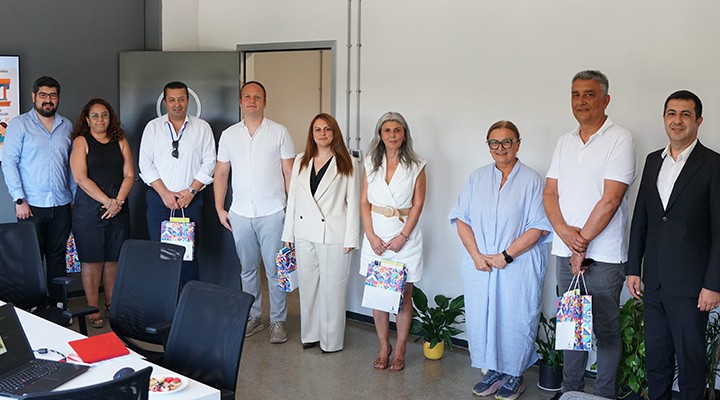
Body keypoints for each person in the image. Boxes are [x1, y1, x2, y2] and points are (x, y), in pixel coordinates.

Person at [543, 70, 636, 400]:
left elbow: (611, 199)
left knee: (606, 330)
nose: (581, 101)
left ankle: (603, 394)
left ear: (606, 100)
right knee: (572, 326)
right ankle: (570, 392)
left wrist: (580, 243)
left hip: (605, 256)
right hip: (565, 252)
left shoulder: (620, 139)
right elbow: (550, 194)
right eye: (575, 94)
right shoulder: (564, 141)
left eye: (589, 94)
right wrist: (566, 235)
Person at [626, 90, 720, 400]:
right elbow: (641, 217)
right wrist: (633, 268)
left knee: (691, 365)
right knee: (656, 360)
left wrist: (713, 285)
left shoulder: (713, 164)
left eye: (685, 114)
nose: (677, 120)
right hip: (654, 282)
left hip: (692, 287)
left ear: (698, 121)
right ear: (664, 118)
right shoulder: (654, 160)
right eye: (671, 113)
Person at [449, 121, 551, 400]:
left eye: (507, 141)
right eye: (494, 142)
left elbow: (539, 226)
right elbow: (461, 218)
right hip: (481, 264)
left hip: (518, 264)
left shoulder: (532, 180)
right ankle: (493, 370)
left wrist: (506, 255)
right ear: (488, 146)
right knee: (483, 316)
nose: (500, 148)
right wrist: (475, 254)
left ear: (518, 144)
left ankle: (515, 374)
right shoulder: (477, 177)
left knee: (515, 317)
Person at [214, 81, 295, 344]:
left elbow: (289, 173)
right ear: (240, 101)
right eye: (247, 96)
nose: (252, 101)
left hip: (273, 212)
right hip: (240, 213)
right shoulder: (229, 135)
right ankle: (254, 317)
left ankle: (278, 321)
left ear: (264, 102)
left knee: (275, 270)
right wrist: (219, 207)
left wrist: (291, 211)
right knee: (247, 270)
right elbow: (221, 173)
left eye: (257, 97)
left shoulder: (280, 132)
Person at [280, 113, 359, 352]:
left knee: (333, 289)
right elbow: (293, 199)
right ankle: (310, 334)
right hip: (304, 233)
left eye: (327, 129)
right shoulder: (301, 160)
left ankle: (331, 341)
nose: (322, 134)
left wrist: (351, 238)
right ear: (311, 134)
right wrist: (288, 234)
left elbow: (353, 203)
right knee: (308, 287)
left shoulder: (348, 162)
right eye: (317, 129)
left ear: (334, 133)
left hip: (334, 234)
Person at [359, 111, 426, 372]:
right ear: (380, 135)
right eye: (387, 130)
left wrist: (403, 236)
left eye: (397, 130)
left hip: (404, 238)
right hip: (376, 237)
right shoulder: (370, 163)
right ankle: (383, 346)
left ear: (405, 134)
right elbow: (364, 202)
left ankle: (400, 348)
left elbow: (418, 204)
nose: (392, 135)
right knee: (378, 296)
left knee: (403, 298)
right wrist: (370, 235)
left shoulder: (417, 165)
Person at [2, 76, 73, 310]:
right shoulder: (19, 124)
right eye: (43, 95)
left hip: (61, 203)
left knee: (57, 257)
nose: (48, 100)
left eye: (52, 95)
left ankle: (58, 306)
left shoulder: (67, 126)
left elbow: (70, 167)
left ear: (58, 98)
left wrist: (73, 198)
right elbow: (9, 163)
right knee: (30, 260)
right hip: (30, 205)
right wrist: (19, 199)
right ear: (34, 97)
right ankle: (31, 307)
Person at [138, 81, 216, 287]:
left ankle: (189, 299)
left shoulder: (202, 128)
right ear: (165, 102)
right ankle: (165, 301)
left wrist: (191, 191)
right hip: (159, 201)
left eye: (181, 99)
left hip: (190, 200)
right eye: (172, 100)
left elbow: (210, 162)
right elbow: (145, 164)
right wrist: (164, 193)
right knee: (162, 254)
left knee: (189, 254)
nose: (177, 104)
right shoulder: (153, 128)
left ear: (188, 100)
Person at [69, 98, 134, 329]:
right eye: (95, 115)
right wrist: (108, 202)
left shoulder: (120, 140)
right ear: (87, 120)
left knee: (113, 259)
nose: (100, 119)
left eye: (104, 114)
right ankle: (92, 308)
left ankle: (111, 305)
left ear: (110, 117)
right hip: (90, 206)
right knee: (92, 260)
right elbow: (80, 178)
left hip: (119, 204)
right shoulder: (81, 141)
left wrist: (118, 202)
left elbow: (129, 175)